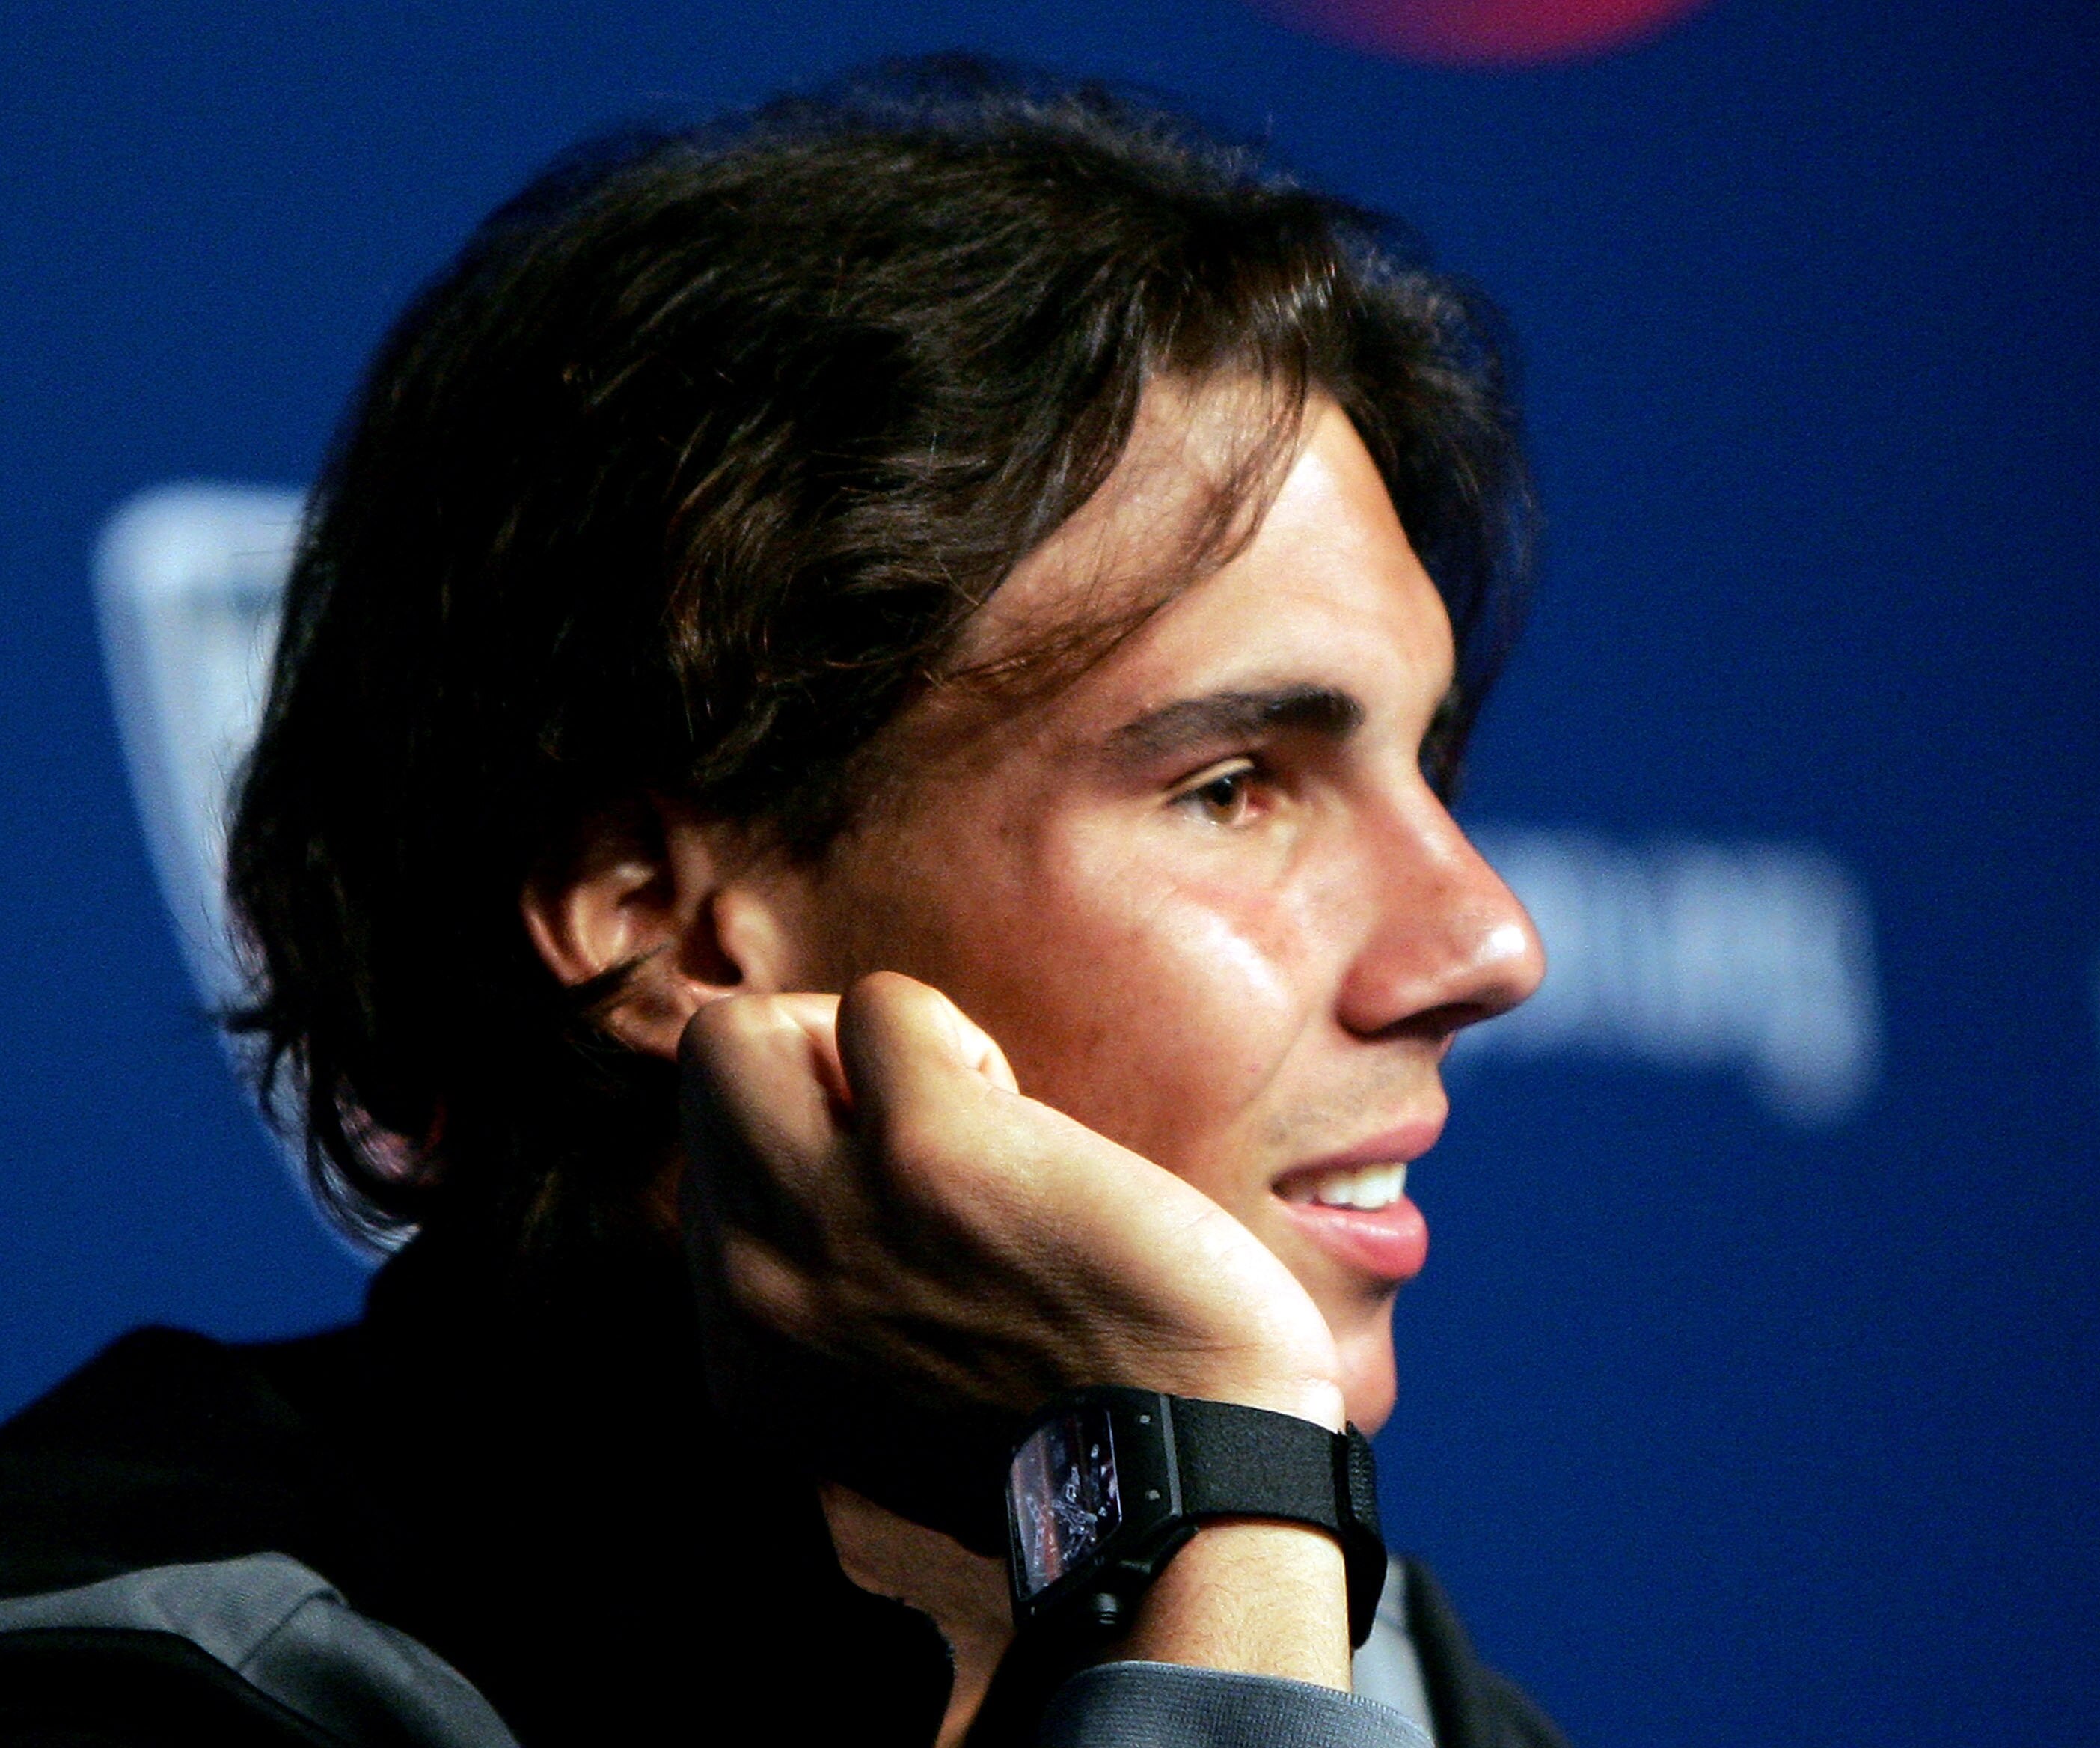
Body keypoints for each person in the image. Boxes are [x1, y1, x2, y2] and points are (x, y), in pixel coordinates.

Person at [0, 58, 1564, 1748]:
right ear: (656, 920)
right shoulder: (142, 1672)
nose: (1489, 944)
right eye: (1235, 787)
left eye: (1435, 770)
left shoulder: (1375, 1672)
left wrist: (1225, 1536)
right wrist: (1218, 1484)